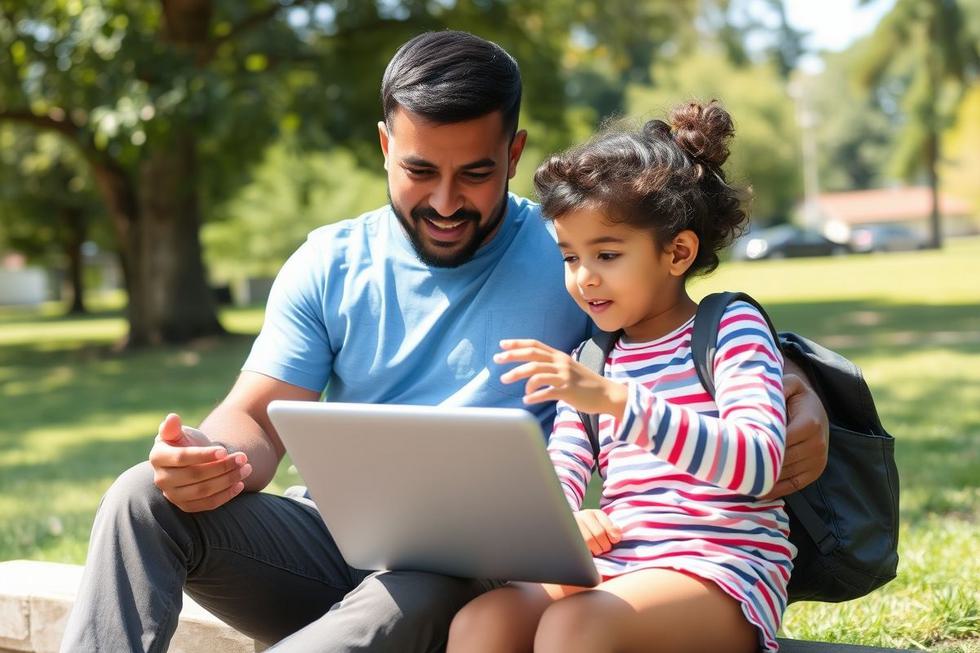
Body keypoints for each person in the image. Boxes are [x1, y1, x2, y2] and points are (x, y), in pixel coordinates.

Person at [59, 32, 827, 653]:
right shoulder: (330, 262)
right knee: (140, 496)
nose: (446, 200)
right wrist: (207, 457)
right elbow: (256, 418)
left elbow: (679, 323)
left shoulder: (573, 254)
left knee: (420, 597)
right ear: (384, 145)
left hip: (467, 569)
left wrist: (804, 393)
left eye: (476, 173)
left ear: (514, 155)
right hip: (329, 542)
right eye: (420, 170)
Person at [448, 101, 792, 653]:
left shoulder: (728, 327)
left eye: (606, 255)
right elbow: (561, 472)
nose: (584, 278)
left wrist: (617, 401)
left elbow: (757, 464)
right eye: (569, 258)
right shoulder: (593, 359)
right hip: (622, 563)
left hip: (724, 570)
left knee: (576, 625)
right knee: (482, 621)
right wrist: (566, 524)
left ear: (678, 252)